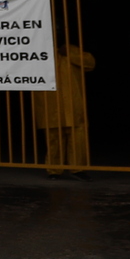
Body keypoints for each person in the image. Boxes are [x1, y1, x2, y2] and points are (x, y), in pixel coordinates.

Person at [32, 41, 95, 175]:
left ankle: (78, 169)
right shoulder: (38, 49)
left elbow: (90, 63)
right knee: (54, 137)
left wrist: (70, 54)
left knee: (77, 136)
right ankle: (54, 170)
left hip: (72, 101)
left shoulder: (71, 49)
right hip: (49, 101)